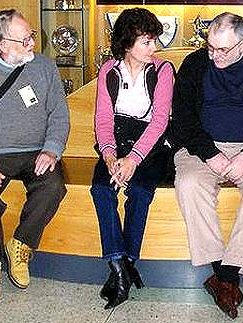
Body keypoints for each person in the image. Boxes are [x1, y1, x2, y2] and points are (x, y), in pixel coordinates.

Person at [172, 12, 243, 319]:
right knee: (189, 184)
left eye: (223, 50)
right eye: (211, 47)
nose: (215, 55)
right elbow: (183, 119)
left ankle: (227, 273)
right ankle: (222, 275)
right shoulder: (195, 65)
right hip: (203, 149)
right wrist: (210, 153)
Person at [0, 9, 69, 305]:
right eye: (25, 40)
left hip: (36, 151)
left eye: (32, 37)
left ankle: (20, 244)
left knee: (54, 186)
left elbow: (59, 115)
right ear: (0, 44)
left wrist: (52, 148)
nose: (33, 43)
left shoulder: (44, 67)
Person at [90, 8, 174, 309]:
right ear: (127, 44)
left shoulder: (163, 71)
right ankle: (119, 267)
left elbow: (160, 121)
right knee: (101, 188)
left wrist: (133, 159)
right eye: (147, 42)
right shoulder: (108, 71)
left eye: (155, 41)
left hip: (151, 147)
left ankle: (126, 263)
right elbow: (102, 120)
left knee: (139, 192)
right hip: (115, 141)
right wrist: (111, 157)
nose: (155, 48)